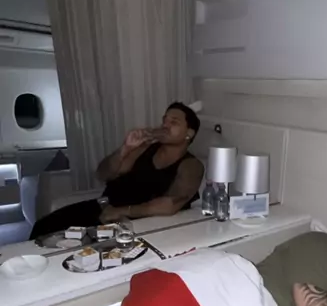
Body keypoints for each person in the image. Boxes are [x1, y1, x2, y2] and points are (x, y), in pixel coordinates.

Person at [30, 102, 204, 239]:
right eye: (164, 120)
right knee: (43, 227)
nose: (165, 125)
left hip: (134, 223)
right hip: (104, 208)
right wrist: (125, 149)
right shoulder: (145, 148)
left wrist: (122, 211)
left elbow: (170, 205)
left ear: (189, 133)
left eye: (173, 122)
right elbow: (103, 174)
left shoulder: (191, 165)